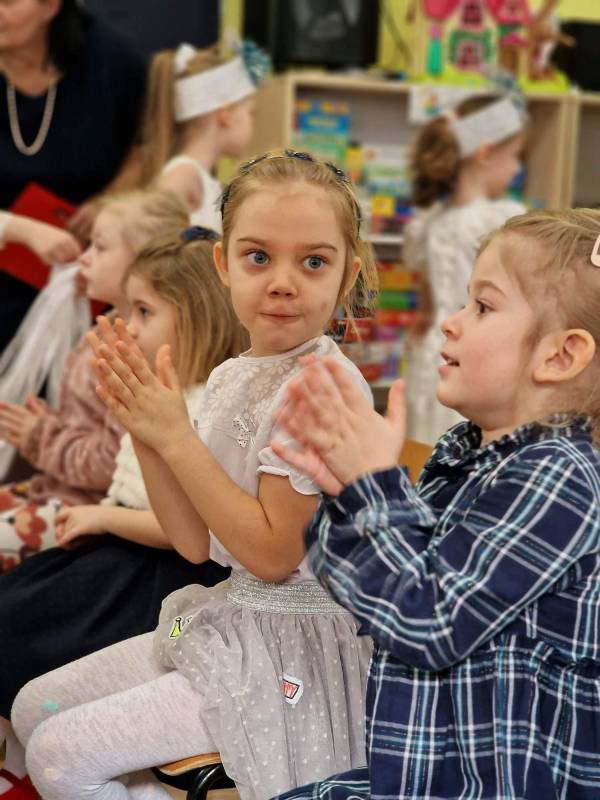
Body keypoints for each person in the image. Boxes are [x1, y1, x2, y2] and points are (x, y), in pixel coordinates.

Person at [11, 150, 378, 800]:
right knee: (34, 706)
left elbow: (271, 555)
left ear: (347, 274)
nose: (283, 282)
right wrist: (146, 429)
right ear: (224, 265)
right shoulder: (236, 374)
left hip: (291, 656)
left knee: (62, 756)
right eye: (258, 257)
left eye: (313, 262)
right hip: (219, 618)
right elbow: (191, 542)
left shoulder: (324, 386)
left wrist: (177, 438)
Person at [270, 208, 600, 800]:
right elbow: (381, 600)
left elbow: (428, 622)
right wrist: (348, 492)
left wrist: (372, 485)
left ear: (559, 356)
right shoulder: (466, 453)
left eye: (483, 306)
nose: (451, 323)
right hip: (420, 773)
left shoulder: (560, 477)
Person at [0, 229, 243, 800]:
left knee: (22, 626)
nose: (128, 327)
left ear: (197, 318)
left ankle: (52, 765)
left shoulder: (211, 408)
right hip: (122, 547)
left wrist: (103, 517)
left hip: (160, 574)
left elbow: (189, 535)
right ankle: (25, 764)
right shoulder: (162, 395)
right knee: (15, 605)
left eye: (143, 312)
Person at [0, 190, 188, 573]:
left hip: (87, 509)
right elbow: (85, 425)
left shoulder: (135, 352)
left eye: (99, 248)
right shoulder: (105, 328)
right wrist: (47, 425)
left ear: (142, 263)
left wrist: (41, 437)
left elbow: (111, 465)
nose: (84, 258)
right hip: (54, 489)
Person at [0, 0, 147, 350]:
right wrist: (20, 229)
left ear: (51, 6)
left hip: (84, 271)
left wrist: (109, 202)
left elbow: (144, 153)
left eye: (8, 1)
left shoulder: (113, 62)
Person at [404, 92, 527, 444]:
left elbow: (425, 310)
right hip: (483, 353)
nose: (517, 168)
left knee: (428, 441)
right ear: (485, 154)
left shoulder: (426, 224)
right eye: (514, 156)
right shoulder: (502, 221)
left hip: (434, 354)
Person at [140, 41, 267, 231]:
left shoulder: (199, 178)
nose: (253, 123)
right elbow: (156, 240)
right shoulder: (183, 176)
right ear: (225, 114)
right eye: (251, 113)